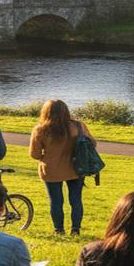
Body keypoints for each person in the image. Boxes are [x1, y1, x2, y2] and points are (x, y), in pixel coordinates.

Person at [28, 99, 92, 235]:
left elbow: (35, 154)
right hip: (76, 168)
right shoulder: (78, 126)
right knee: (76, 200)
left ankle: (59, 230)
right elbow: (92, 143)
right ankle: (75, 229)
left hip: (51, 169)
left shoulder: (40, 129)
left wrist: (46, 155)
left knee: (56, 201)